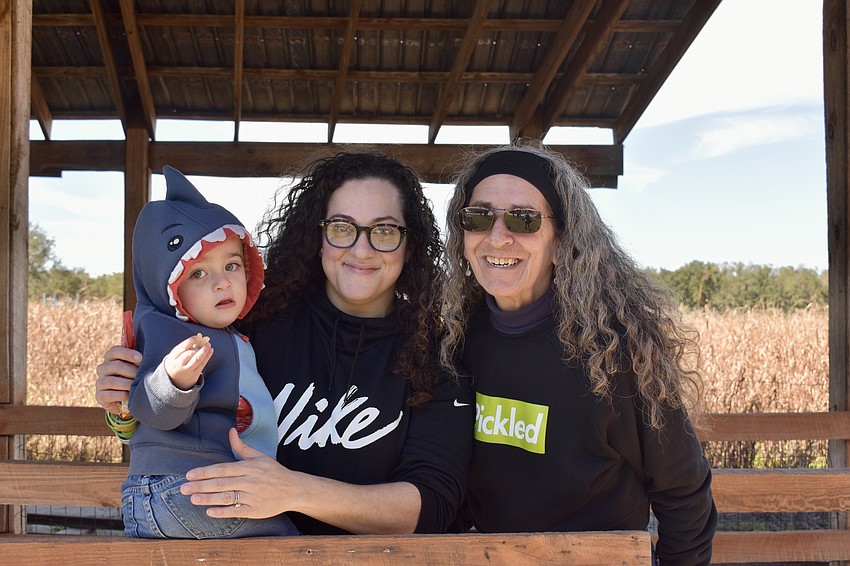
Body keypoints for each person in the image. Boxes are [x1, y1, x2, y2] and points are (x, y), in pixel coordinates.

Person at [96, 151, 473, 535]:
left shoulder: (436, 355)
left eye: (385, 231)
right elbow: (174, 422)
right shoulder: (250, 323)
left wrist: (294, 492)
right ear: (318, 236)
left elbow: (431, 506)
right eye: (342, 228)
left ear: (409, 247)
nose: (362, 249)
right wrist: (123, 407)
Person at [439, 144, 717, 565]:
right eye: (478, 217)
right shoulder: (452, 341)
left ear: (561, 239)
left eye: (523, 219)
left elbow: (682, 489)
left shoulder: (613, 349)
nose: (497, 236)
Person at [119, 165, 299, 538]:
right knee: (287, 539)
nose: (222, 282)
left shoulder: (227, 335)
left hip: (175, 493)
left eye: (232, 265)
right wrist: (173, 382)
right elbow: (147, 407)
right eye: (198, 273)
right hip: (182, 488)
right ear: (167, 288)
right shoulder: (170, 332)